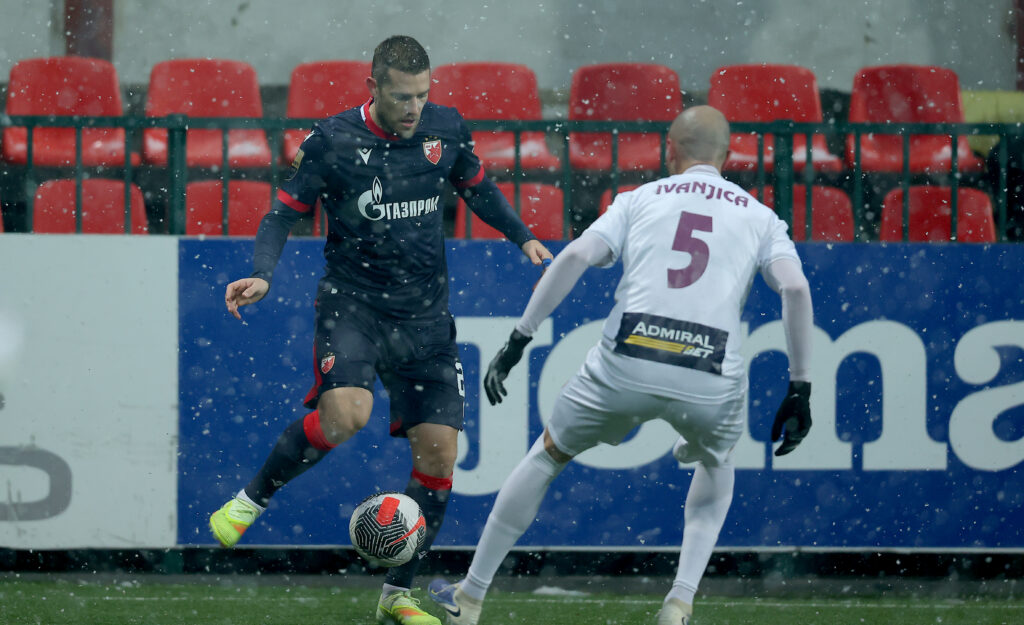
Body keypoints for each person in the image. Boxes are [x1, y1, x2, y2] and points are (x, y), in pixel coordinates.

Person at [209, 35, 553, 625]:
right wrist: (263, 273)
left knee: (440, 459)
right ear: (373, 88)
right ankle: (251, 498)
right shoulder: (332, 141)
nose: (414, 107)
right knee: (346, 416)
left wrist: (521, 235)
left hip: (425, 317)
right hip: (355, 306)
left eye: (422, 94)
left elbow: (477, 187)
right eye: (401, 97)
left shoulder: (445, 129)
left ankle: (398, 595)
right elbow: (282, 211)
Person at [427, 106, 814, 625]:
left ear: (670, 149)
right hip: (709, 369)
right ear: (728, 155)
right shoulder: (760, 217)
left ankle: (470, 597)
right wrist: (801, 388)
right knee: (717, 466)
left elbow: (573, 258)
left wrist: (521, 337)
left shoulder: (639, 199)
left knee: (548, 455)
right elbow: (794, 287)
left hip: (628, 359)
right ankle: (679, 602)